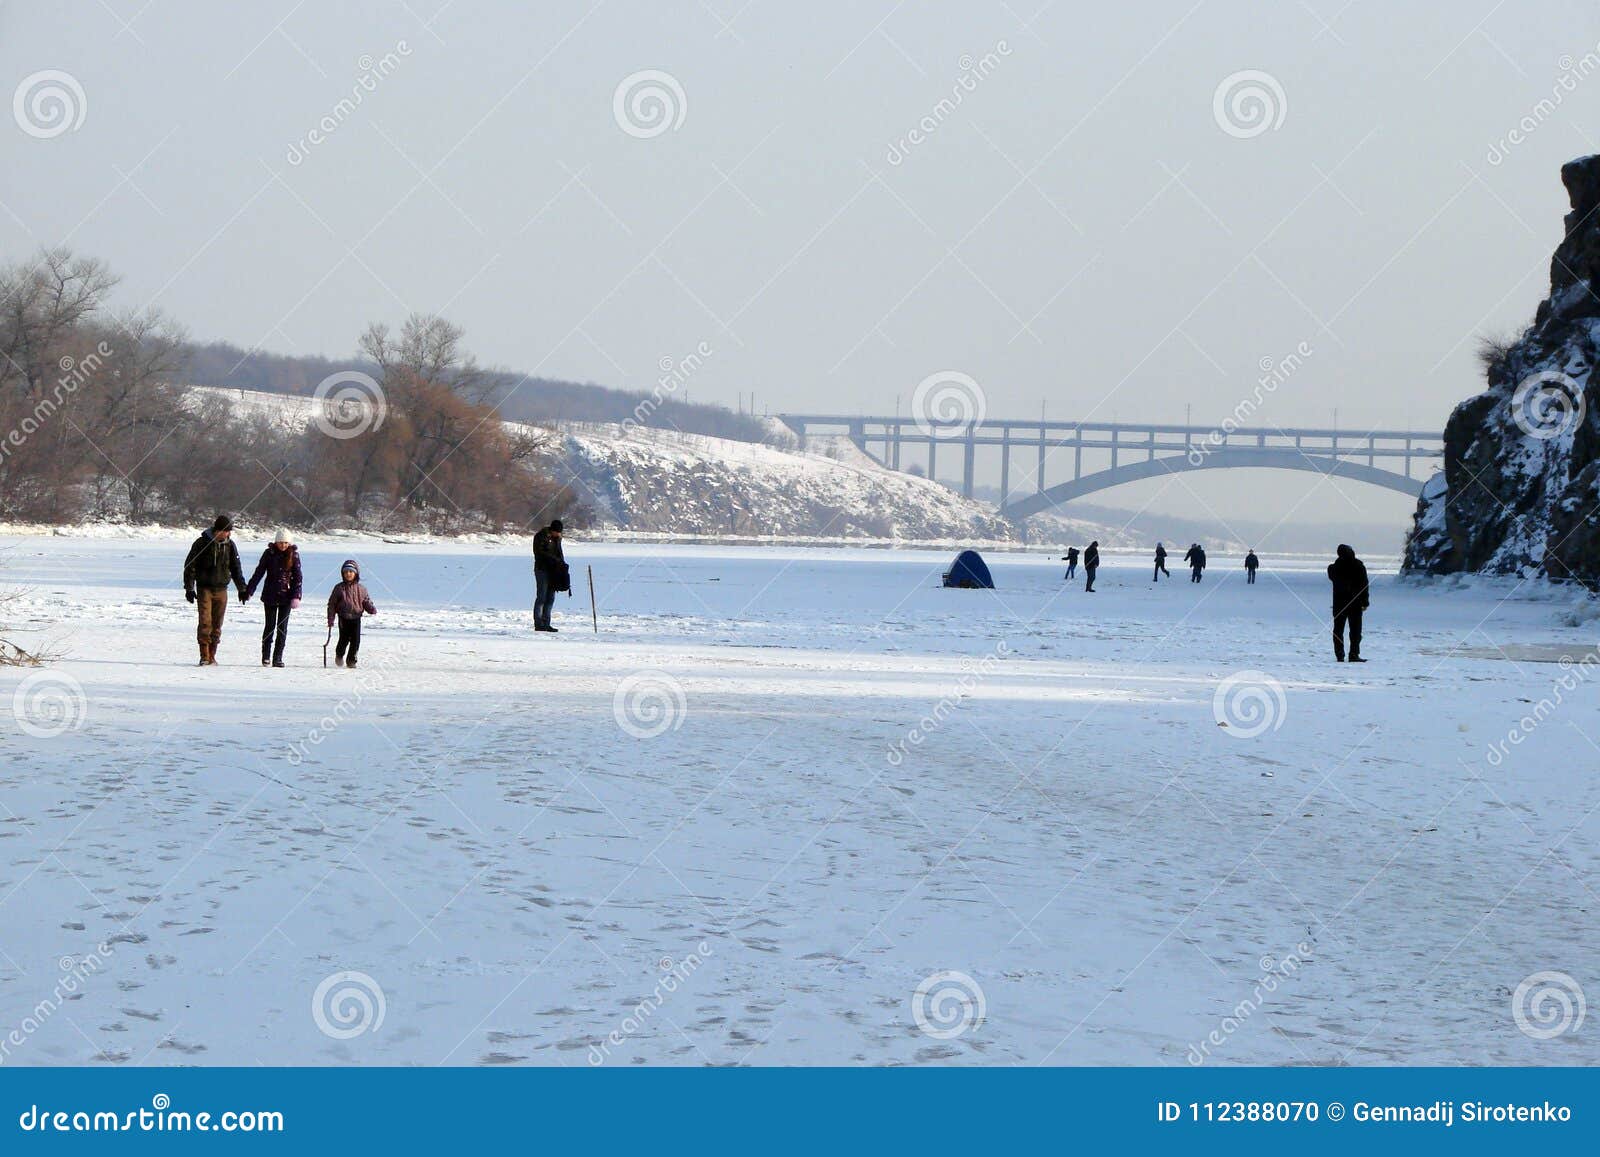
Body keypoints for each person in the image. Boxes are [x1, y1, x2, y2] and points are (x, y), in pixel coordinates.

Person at [182, 514, 247, 666]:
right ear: (218, 530)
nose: (229, 534)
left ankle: (212, 654)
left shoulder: (230, 545)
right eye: (226, 531)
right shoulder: (201, 543)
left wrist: (241, 588)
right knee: (205, 622)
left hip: (222, 589)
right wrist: (189, 588)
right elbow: (190, 566)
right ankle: (204, 655)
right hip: (205, 588)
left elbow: (236, 568)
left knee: (217, 624)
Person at [245, 528, 303, 668]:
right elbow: (259, 572)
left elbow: (298, 577)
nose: (283, 545)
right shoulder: (269, 553)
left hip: (286, 596)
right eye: (280, 542)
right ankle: (266, 656)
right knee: (269, 626)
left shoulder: (294, 555)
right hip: (270, 595)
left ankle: (278, 657)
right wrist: (250, 589)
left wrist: (296, 596)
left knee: (282, 628)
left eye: (285, 543)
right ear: (276, 542)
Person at [327, 559, 377, 668]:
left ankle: (351, 660)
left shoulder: (361, 589)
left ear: (356, 573)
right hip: (343, 617)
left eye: (351, 572)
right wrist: (331, 618)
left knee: (355, 640)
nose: (348, 574)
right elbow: (332, 604)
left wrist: (371, 608)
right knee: (344, 639)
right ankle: (339, 654)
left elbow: (366, 601)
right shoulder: (339, 588)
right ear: (342, 574)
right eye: (346, 572)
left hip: (356, 617)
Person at [1327, 543, 1369, 663]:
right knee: (1355, 631)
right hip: (1355, 604)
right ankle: (1354, 654)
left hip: (1339, 603)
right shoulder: (1359, 566)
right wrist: (1365, 602)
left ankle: (1340, 655)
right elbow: (1364, 586)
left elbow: (1333, 575)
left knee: (1338, 630)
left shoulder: (1334, 568)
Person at [532, 519, 570, 632]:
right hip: (542, 570)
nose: (559, 534)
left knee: (550, 598)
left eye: (560, 532)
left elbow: (559, 553)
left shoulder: (557, 539)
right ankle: (539, 624)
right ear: (552, 530)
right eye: (557, 532)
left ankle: (546, 623)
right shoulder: (541, 536)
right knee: (542, 597)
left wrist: (562, 565)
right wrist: (554, 560)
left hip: (554, 571)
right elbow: (539, 553)